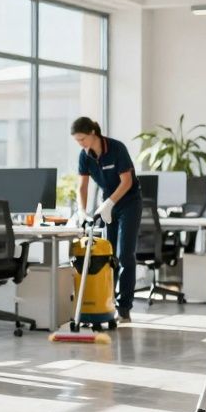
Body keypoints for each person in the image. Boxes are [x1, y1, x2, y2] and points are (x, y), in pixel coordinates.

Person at [70, 117, 140, 322]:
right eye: (77, 140)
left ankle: (124, 308)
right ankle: (106, 303)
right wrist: (82, 210)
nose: (80, 144)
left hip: (129, 203)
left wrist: (110, 202)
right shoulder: (85, 156)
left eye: (82, 139)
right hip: (107, 206)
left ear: (93, 133)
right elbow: (82, 186)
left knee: (125, 255)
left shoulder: (117, 149)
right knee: (109, 255)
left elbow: (127, 182)